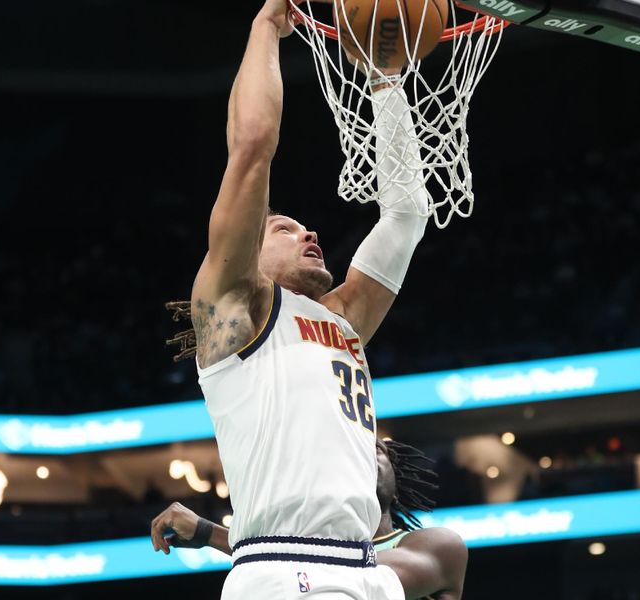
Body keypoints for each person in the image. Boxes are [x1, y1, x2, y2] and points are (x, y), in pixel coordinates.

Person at [161, 0, 429, 596]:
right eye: (284, 228)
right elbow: (252, 144)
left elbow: (407, 214)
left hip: (363, 569)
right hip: (285, 572)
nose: (309, 233)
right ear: (245, 253)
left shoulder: (343, 317)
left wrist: (384, 81)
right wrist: (266, 26)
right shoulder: (236, 311)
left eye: (306, 227)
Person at [151, 438, 467, 600]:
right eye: (345, 451)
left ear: (396, 483)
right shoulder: (298, 559)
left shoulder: (440, 546)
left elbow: (342, 577)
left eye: (372, 449)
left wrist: (211, 534)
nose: (356, 455)